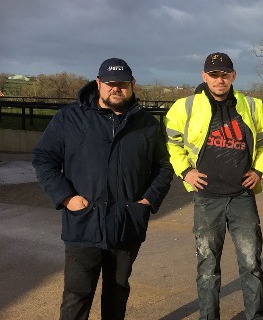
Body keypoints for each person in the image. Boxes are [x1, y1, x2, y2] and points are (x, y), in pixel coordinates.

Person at [32, 57, 174, 320]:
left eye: (122, 84)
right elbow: (43, 159)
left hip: (126, 223)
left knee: (117, 292)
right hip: (83, 223)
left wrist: (148, 201)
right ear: (98, 83)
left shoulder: (147, 125)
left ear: (132, 84)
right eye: (110, 83)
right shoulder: (70, 118)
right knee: (77, 295)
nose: (115, 89)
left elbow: (164, 167)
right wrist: (66, 197)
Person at [165, 52, 263, 320]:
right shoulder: (185, 106)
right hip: (207, 198)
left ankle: (255, 317)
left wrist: (259, 170)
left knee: (251, 264)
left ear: (233, 76)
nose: (219, 79)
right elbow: (172, 141)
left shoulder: (251, 105)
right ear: (204, 76)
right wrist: (185, 171)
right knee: (207, 266)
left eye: (225, 74)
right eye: (213, 75)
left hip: (241, 197)